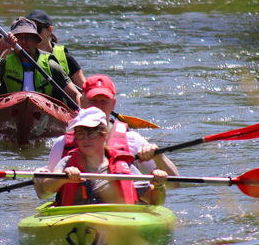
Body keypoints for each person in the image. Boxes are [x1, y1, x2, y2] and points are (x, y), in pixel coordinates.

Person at [43, 74, 179, 180]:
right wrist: (41, 176)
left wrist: (158, 157)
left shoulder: (132, 140)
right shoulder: (62, 143)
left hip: (120, 211)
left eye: (104, 101)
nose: (98, 106)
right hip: (76, 213)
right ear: (82, 102)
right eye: (93, 100)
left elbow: (174, 184)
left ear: (113, 104)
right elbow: (43, 193)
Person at [34, 107, 169, 206]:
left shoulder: (122, 165)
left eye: (91, 133)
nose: (85, 140)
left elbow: (154, 200)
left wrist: (158, 186)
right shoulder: (67, 162)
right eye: (80, 134)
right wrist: (63, 178)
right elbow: (46, 188)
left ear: (104, 134)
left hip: (115, 225)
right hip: (75, 222)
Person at [0, 17, 81, 106]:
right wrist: (0, 48)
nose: (23, 41)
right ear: (13, 41)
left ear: (37, 40)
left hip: (43, 111)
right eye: (18, 38)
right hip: (11, 110)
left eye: (28, 37)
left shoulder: (50, 65)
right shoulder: (5, 63)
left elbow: (75, 94)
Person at [24, 10, 85, 90]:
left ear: (49, 30)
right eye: (30, 30)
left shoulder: (66, 58)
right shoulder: (19, 55)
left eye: (37, 29)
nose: (33, 34)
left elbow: (84, 87)